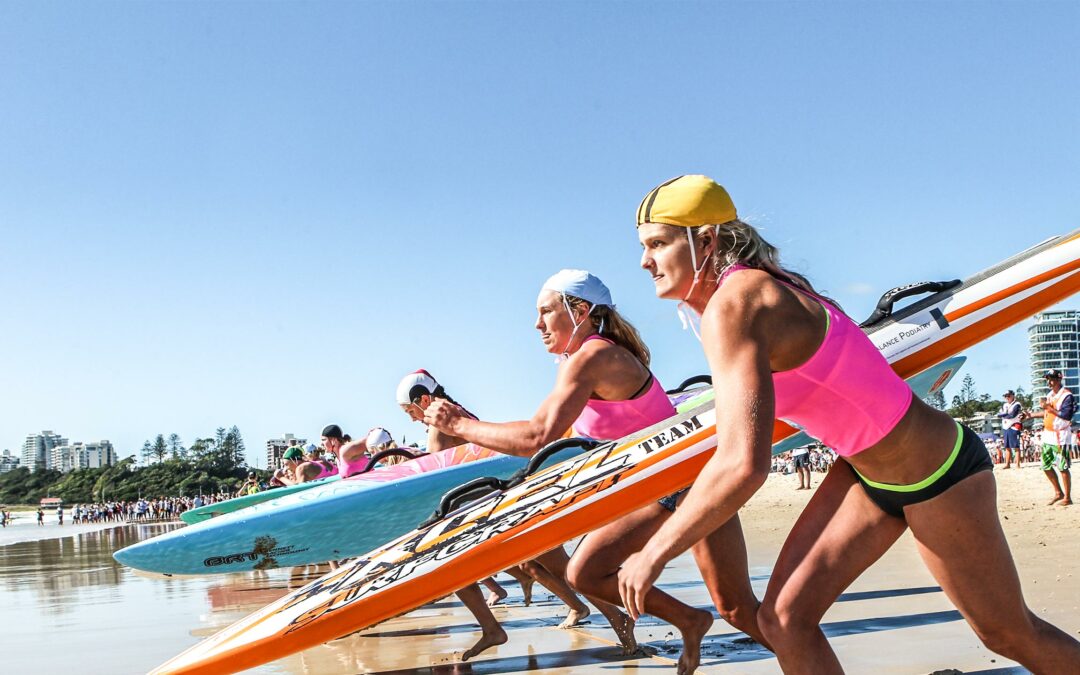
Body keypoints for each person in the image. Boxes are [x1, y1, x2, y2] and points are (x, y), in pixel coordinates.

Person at [622, 174, 1080, 673]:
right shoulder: (759, 288)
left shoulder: (737, 303)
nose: (645, 261)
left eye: (658, 244)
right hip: (866, 473)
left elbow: (741, 465)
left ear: (705, 240)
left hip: (938, 473)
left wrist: (654, 553)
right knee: (783, 619)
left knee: (1008, 634)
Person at [424, 269, 767, 668]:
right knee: (737, 607)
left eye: (546, 312)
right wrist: (471, 429)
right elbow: (549, 431)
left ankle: (693, 620)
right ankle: (694, 622)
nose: (537, 324)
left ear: (580, 310)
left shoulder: (593, 355)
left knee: (587, 573)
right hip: (688, 482)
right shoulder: (588, 356)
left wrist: (459, 426)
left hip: (678, 487)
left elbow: (538, 437)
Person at [1039, 369, 1073, 506]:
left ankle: (1068, 497)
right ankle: (1058, 493)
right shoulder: (1050, 395)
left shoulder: (1067, 396)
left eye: (1051, 379)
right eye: (1048, 379)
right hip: (1048, 434)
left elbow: (1066, 415)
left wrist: (1048, 407)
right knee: (1045, 465)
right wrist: (1030, 415)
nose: (1049, 382)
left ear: (1059, 379)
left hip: (1061, 436)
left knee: (1063, 467)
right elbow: (1047, 413)